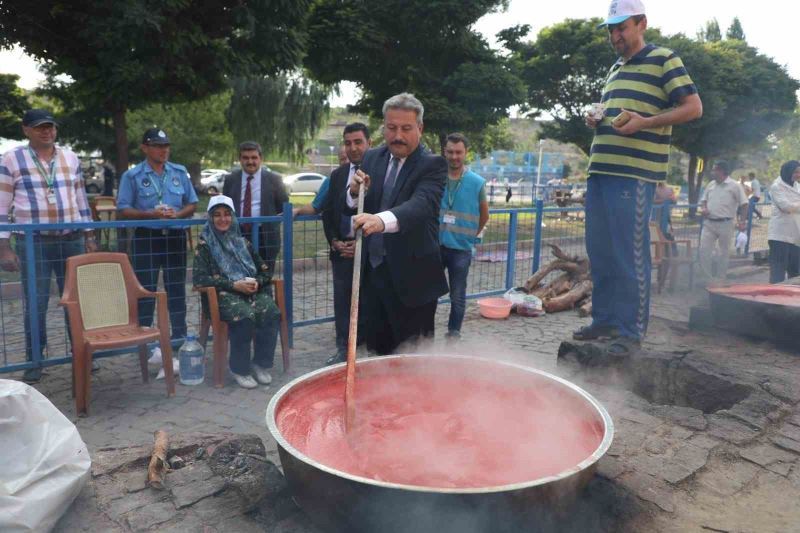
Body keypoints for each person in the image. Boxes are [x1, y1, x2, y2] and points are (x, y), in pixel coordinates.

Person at [578, 0, 702, 356]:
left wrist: (645, 122)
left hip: (633, 175)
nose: (615, 35)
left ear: (641, 23)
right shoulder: (615, 69)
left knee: (629, 255)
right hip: (600, 172)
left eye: (622, 27)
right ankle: (604, 320)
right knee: (599, 252)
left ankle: (631, 332)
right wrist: (597, 119)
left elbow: (694, 107)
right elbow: (617, 117)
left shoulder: (664, 58)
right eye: (611, 29)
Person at [0, 109, 98, 383]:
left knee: (77, 301)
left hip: (71, 239)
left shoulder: (70, 157)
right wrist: (3, 246)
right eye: (40, 127)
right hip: (34, 243)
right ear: (26, 130)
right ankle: (35, 359)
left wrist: (89, 234)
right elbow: (1, 202)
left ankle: (83, 352)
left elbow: (80, 198)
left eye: (51, 127)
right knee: (36, 302)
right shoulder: (11, 159)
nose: (47, 132)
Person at [347, 93, 448, 355]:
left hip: (414, 283)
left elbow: (420, 207)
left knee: (413, 361)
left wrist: (379, 221)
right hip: (375, 277)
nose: (397, 136)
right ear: (384, 127)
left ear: (420, 128)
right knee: (377, 354)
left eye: (406, 128)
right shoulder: (372, 158)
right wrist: (355, 192)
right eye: (391, 128)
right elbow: (361, 201)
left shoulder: (433, 165)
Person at [117, 128, 198, 341]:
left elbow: (192, 202)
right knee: (145, 290)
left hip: (174, 237)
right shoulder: (132, 175)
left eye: (166, 146)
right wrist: (148, 214)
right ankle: (144, 338)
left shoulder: (179, 172)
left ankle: (179, 336)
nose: (163, 150)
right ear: (145, 148)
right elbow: (123, 209)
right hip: (147, 237)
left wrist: (178, 215)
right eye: (157, 146)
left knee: (176, 289)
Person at [193, 195, 279, 388]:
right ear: (210, 218)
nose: (223, 219)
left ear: (233, 217)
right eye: (217, 215)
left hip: (249, 293)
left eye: (226, 214)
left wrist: (256, 282)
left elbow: (265, 270)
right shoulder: (204, 247)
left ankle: (260, 364)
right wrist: (233, 285)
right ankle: (239, 368)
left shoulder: (243, 243)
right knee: (244, 315)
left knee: (271, 311)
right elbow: (200, 279)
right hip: (222, 296)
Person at [319, 123, 372, 365]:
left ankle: (368, 347)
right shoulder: (338, 175)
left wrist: (363, 245)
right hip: (342, 250)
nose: (352, 148)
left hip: (370, 252)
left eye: (358, 142)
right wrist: (335, 242)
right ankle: (343, 348)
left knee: (369, 300)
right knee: (342, 301)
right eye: (348, 142)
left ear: (368, 143)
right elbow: (328, 212)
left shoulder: (380, 171)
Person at [439, 133, 489, 340]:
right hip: (436, 245)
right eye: (450, 152)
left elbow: (484, 215)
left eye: (458, 152)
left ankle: (453, 333)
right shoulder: (436, 177)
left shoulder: (476, 182)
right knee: (427, 292)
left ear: (465, 153)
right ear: (444, 152)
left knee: (457, 295)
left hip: (461, 249)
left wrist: (471, 236)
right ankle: (423, 332)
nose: (454, 156)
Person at [222, 141, 288, 273]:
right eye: (245, 158)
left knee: (264, 280)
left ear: (260, 159)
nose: (250, 161)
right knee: (240, 278)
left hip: (265, 236)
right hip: (238, 234)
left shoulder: (274, 179)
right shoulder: (230, 179)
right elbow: (225, 206)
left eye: (254, 157)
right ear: (240, 159)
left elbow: (283, 206)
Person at [698, 161, 748, 284]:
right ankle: (707, 279)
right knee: (704, 250)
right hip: (709, 223)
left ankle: (720, 279)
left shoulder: (734, 186)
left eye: (715, 170)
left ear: (723, 171)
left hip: (726, 223)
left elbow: (744, 204)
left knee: (723, 253)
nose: (713, 172)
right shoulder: (711, 184)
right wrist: (704, 208)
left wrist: (742, 221)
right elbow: (703, 200)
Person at [767, 161, 800, 283]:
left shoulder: (797, 186)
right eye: (796, 172)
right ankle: (774, 299)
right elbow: (785, 207)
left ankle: (793, 299)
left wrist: (795, 206)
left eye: (799, 172)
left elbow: (793, 207)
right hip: (780, 236)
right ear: (788, 171)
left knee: (795, 271)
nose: (798, 174)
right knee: (778, 271)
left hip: (796, 235)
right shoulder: (776, 186)